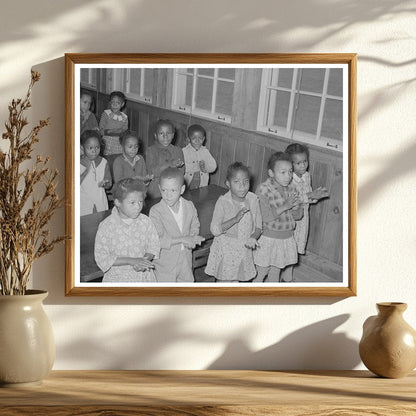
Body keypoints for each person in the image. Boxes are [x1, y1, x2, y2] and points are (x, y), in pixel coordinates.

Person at [94, 178, 160, 283]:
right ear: (118, 202)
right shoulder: (107, 226)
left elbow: (153, 246)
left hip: (143, 278)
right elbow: (102, 256)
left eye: (140, 201)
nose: (138, 206)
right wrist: (132, 261)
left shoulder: (145, 221)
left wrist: (144, 261)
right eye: (132, 203)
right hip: (117, 279)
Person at [205, 162, 262, 283]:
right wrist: (235, 220)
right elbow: (214, 230)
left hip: (243, 249)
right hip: (226, 248)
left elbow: (258, 226)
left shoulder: (253, 200)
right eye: (236, 182)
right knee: (224, 282)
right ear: (228, 184)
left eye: (245, 182)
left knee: (237, 280)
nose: (242, 186)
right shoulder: (223, 202)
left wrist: (253, 237)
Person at [253, 152, 303, 283]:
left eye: (290, 171)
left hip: (286, 238)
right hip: (269, 238)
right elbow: (266, 217)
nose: (288, 176)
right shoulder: (263, 189)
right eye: (283, 172)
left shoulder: (292, 188)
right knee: (262, 271)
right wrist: (286, 205)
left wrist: (297, 207)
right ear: (271, 173)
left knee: (276, 270)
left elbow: (298, 216)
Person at [149, 168, 204, 282]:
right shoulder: (156, 211)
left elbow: (195, 224)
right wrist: (184, 239)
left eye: (173, 190)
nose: (168, 195)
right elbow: (157, 240)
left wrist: (193, 237)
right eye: (164, 190)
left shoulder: (189, 206)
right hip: (165, 264)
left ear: (182, 189)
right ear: (159, 188)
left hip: (186, 260)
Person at [285, 143, 329, 255]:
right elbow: (293, 200)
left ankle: (291, 260)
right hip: (292, 215)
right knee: (288, 243)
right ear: (290, 164)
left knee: (298, 242)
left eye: (305, 161)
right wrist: (310, 195)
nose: (303, 165)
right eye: (298, 163)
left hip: (303, 215)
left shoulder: (306, 176)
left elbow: (307, 192)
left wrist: (315, 197)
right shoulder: (288, 179)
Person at [145, 119, 184, 199]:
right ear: (156, 135)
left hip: (173, 190)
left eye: (168, 133)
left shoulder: (178, 150)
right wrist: (170, 164)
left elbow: (181, 172)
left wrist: (178, 166)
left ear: (173, 135)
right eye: (161, 133)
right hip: (155, 191)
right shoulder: (150, 150)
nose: (165, 136)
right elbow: (151, 172)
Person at [80, 130, 112, 216]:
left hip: (100, 201)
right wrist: (86, 169)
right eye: (90, 148)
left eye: (97, 147)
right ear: (82, 148)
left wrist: (105, 183)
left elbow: (109, 183)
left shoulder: (104, 162)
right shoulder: (78, 163)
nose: (94, 150)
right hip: (83, 203)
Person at [183, 124, 217, 189]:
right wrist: (196, 167)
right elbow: (182, 168)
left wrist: (205, 167)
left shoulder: (205, 151)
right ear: (188, 139)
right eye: (194, 138)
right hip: (187, 184)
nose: (197, 141)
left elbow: (213, 166)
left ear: (204, 139)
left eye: (200, 138)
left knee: (199, 197)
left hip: (202, 184)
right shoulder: (184, 151)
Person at [99, 91, 128, 156]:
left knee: (119, 156)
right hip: (107, 140)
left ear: (122, 104)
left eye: (118, 103)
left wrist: (120, 132)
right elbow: (101, 129)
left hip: (119, 141)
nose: (115, 105)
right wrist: (108, 131)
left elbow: (125, 130)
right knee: (108, 157)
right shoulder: (106, 114)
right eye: (113, 102)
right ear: (110, 102)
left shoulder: (124, 117)